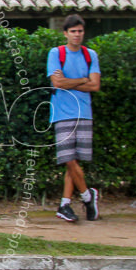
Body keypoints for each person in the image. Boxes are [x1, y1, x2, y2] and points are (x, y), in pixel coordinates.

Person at [47, 14, 101, 223]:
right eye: (73, 31)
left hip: (84, 112)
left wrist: (69, 81)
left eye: (80, 31)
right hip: (62, 113)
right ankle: (88, 196)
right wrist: (81, 80)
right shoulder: (56, 53)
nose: (77, 35)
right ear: (65, 33)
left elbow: (95, 86)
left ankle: (65, 204)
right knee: (68, 159)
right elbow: (57, 83)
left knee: (74, 161)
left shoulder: (90, 55)